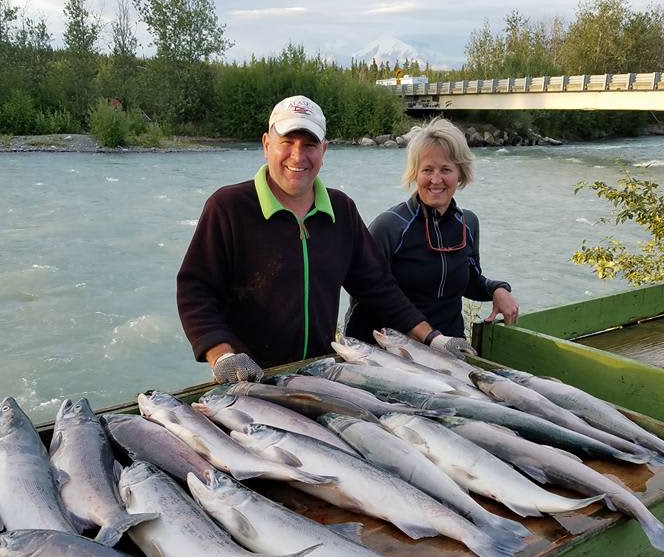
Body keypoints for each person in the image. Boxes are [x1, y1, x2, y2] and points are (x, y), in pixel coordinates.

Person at [176, 95, 475, 383]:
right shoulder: (229, 207)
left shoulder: (341, 210)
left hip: (319, 373)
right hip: (248, 376)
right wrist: (222, 355)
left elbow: (378, 289)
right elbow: (195, 289)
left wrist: (433, 338)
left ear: (324, 150)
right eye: (287, 143)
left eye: (309, 144)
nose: (298, 155)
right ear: (266, 145)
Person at [345, 117, 519, 343]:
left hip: (449, 347)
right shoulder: (390, 226)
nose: (436, 180)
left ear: (460, 174)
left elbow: (469, 279)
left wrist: (497, 289)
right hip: (392, 351)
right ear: (414, 173)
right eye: (427, 170)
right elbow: (366, 294)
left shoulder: (468, 223)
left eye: (446, 169)